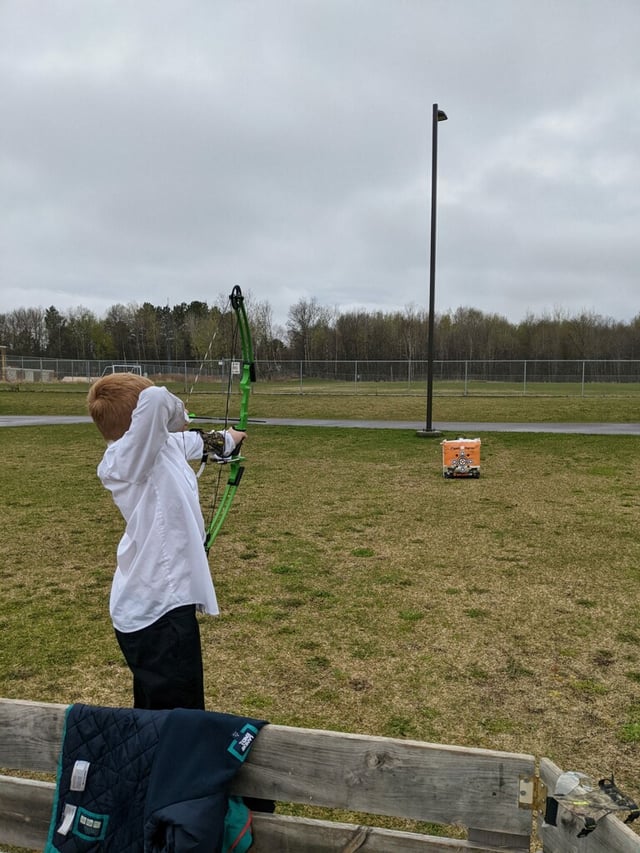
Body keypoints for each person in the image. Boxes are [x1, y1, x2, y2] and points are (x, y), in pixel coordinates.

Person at [87, 373, 246, 710]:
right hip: (157, 612)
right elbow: (157, 399)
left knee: (154, 714)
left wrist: (229, 439)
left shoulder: (160, 445)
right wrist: (180, 414)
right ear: (141, 424)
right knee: (179, 718)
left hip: (160, 607)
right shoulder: (122, 460)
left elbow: (200, 443)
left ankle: (152, 759)